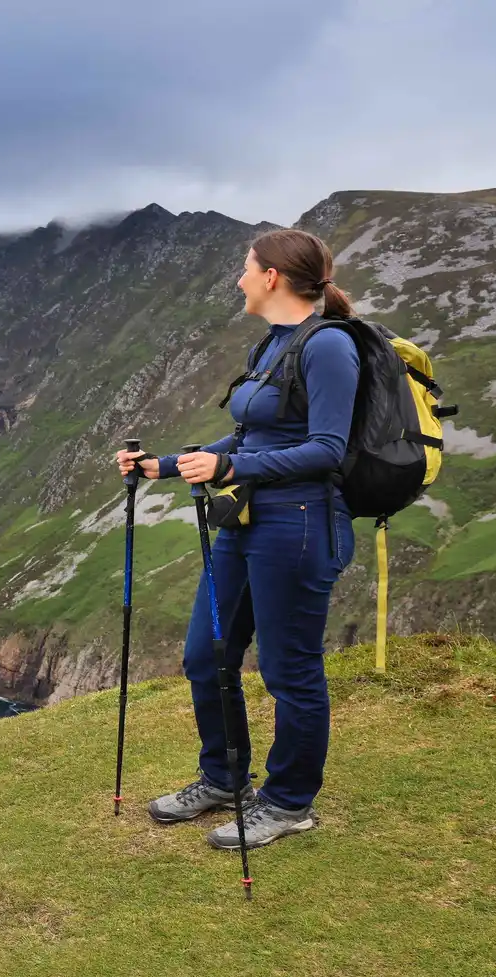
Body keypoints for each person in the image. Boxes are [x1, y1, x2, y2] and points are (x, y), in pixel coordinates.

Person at [112, 227, 359, 850]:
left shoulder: (329, 347)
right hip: (247, 522)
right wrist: (165, 464)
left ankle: (288, 802)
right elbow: (251, 439)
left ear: (272, 277)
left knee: (289, 669)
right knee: (206, 654)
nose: (239, 279)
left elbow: (329, 448)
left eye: (246, 269)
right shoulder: (271, 346)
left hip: (300, 524)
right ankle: (223, 777)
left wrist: (231, 470)